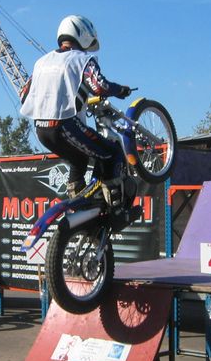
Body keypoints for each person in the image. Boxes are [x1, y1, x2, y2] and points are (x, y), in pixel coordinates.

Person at [19, 14, 133, 226]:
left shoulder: (41, 62)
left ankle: (79, 203)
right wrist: (120, 90)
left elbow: (24, 95)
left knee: (78, 159)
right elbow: (100, 86)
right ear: (83, 35)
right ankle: (116, 210)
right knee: (113, 152)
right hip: (65, 125)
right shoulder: (82, 59)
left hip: (41, 129)